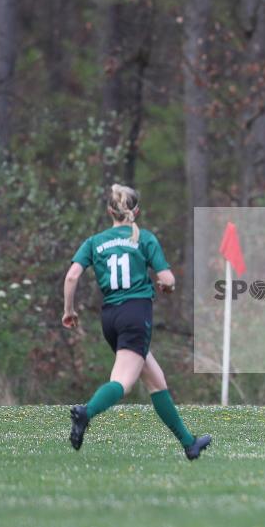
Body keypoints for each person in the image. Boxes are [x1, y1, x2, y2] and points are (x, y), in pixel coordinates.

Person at [62, 183, 211, 459]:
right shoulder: (143, 238)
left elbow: (72, 276)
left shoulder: (95, 241)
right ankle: (86, 413)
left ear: (110, 211)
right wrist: (168, 287)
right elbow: (168, 279)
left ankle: (190, 444)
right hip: (135, 314)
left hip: (110, 317)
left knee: (156, 382)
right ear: (137, 211)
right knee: (122, 382)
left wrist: (68, 311)